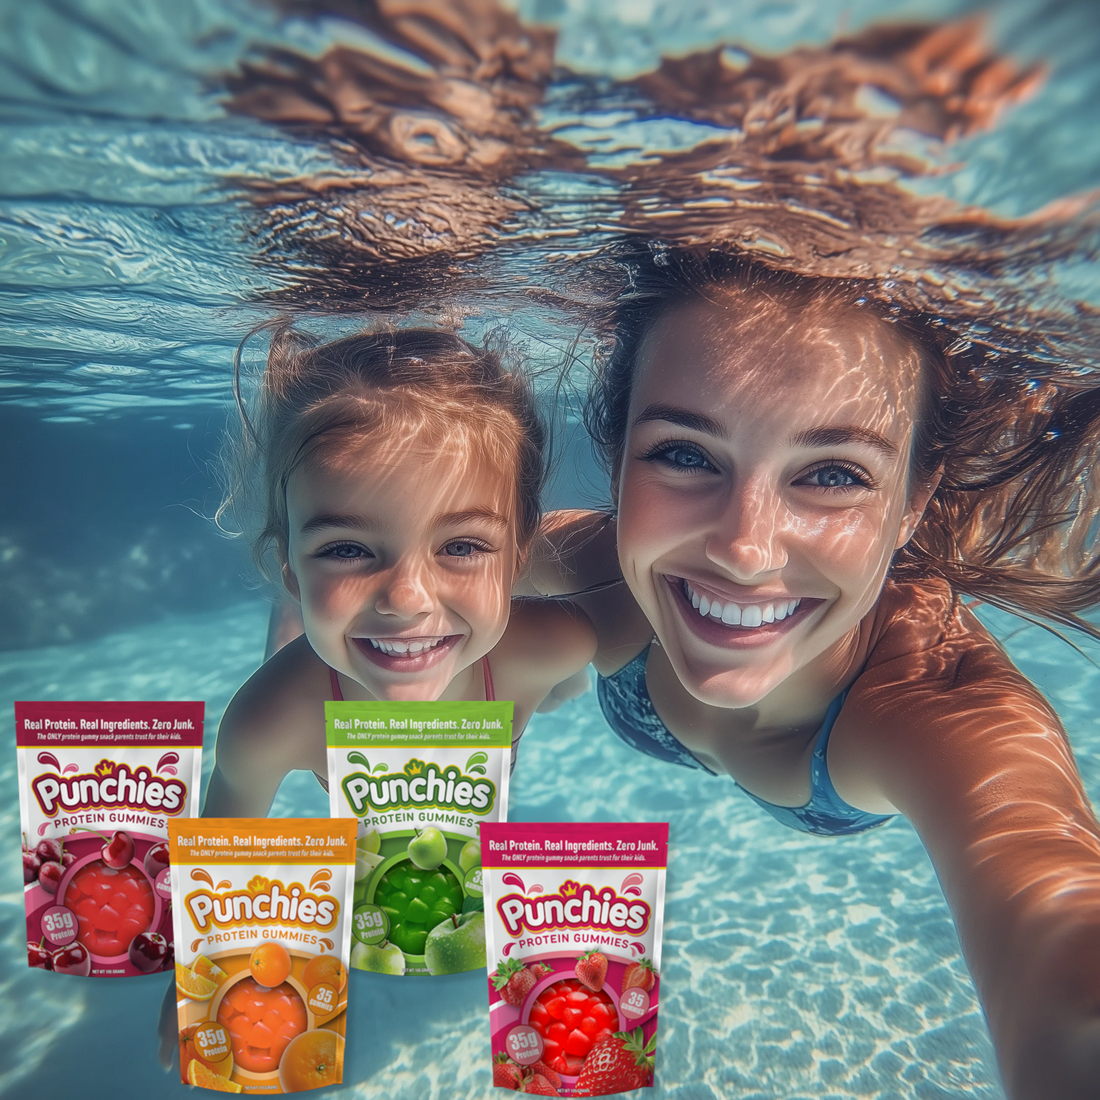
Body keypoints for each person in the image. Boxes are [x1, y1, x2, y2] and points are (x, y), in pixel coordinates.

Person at [529, 247, 1100, 1100]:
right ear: (614, 458)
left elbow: (1051, 919)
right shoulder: (585, 562)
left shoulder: (934, 711)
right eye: (685, 455)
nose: (744, 549)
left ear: (912, 500)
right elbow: (365, 563)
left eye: (834, 474)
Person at [204, 324, 595, 817]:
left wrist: (562, 687)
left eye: (461, 545)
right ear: (287, 564)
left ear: (518, 555)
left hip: (503, 666)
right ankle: (296, 607)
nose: (407, 599)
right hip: (312, 672)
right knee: (291, 650)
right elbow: (218, 872)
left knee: (564, 692)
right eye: (346, 549)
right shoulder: (267, 723)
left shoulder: (559, 645)